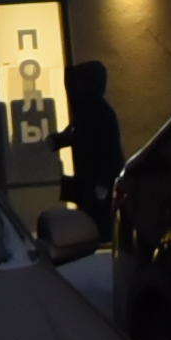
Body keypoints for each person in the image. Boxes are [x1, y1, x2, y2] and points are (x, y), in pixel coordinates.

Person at [60, 58, 125, 230]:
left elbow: (110, 150)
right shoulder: (90, 111)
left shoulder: (98, 112)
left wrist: (103, 183)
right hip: (92, 181)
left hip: (96, 183)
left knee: (98, 224)